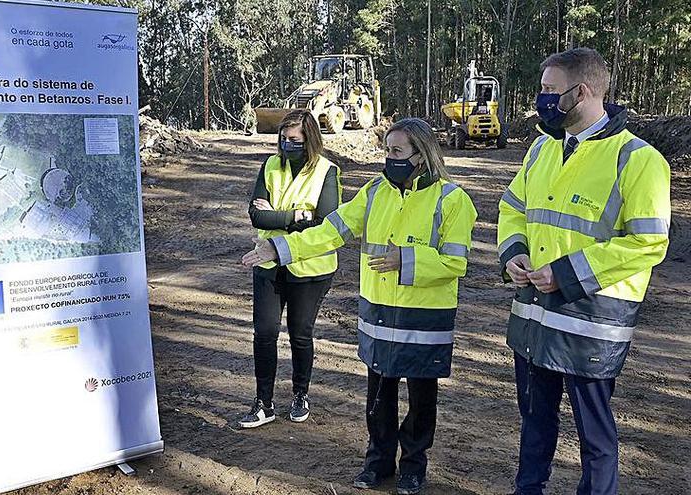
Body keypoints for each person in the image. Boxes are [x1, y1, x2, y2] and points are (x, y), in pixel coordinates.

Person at [243, 118, 477, 494]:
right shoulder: (374, 192)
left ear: (422, 155)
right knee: (378, 400)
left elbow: (456, 263)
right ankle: (378, 463)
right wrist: (280, 248)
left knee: (421, 402)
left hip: (424, 322)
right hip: (380, 318)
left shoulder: (453, 200)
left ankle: (413, 468)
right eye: (387, 150)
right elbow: (330, 230)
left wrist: (408, 259)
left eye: (397, 152)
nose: (389, 158)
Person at [497, 48, 671, 495]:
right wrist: (513, 254)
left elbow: (648, 240)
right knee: (534, 421)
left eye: (551, 91)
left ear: (584, 91)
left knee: (595, 436)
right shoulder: (541, 149)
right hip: (534, 315)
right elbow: (513, 207)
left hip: (591, 323)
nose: (543, 100)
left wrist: (568, 274)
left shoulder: (637, 159)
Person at [238, 109, 342, 428]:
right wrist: (297, 217)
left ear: (309, 139)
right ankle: (263, 402)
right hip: (267, 261)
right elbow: (256, 216)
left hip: (309, 267)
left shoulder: (327, 171)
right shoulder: (270, 165)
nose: (286, 144)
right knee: (265, 333)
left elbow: (324, 223)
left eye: (294, 139)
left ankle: (300, 395)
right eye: (283, 138)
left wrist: (280, 215)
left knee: (300, 335)